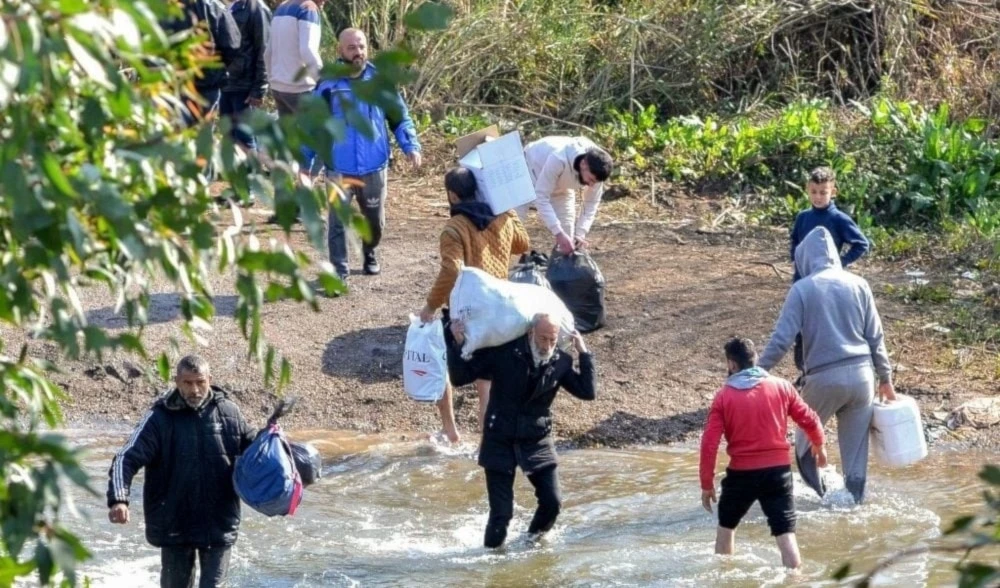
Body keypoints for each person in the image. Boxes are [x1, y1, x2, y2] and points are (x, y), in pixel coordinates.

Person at [758, 226, 896, 504]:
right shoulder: (859, 284)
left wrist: (757, 372)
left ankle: (820, 500)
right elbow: (875, 337)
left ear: (805, 258)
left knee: (804, 445)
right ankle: (853, 505)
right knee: (856, 456)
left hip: (823, 380)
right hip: (862, 379)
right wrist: (886, 378)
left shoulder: (802, 289)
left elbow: (782, 340)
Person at [445, 314, 596, 548]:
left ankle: (530, 544)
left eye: (552, 340)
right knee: (501, 516)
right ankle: (491, 564)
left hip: (537, 439)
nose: (546, 345)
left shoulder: (561, 361)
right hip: (499, 437)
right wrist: (456, 341)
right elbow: (460, 377)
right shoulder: (504, 352)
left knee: (552, 503)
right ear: (530, 333)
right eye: (542, 338)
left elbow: (587, 391)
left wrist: (584, 353)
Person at [107, 356, 256, 588]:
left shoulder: (229, 412)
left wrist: (289, 477)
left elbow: (258, 452)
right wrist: (119, 499)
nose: (194, 389)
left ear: (210, 380)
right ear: (176, 381)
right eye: (187, 383)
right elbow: (126, 458)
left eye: (200, 382)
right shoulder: (159, 418)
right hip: (175, 523)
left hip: (218, 521)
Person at [418, 167, 531, 443]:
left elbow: (451, 271)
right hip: (498, 306)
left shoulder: (454, 228)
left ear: (452, 195)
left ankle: (450, 430)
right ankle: (486, 438)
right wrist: (509, 207)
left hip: (464, 309)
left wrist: (431, 306)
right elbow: (523, 244)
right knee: (487, 378)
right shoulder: (502, 217)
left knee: (441, 362)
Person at [700, 337, 827, 569]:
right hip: (778, 474)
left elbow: (709, 443)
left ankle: (724, 578)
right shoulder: (782, 387)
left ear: (732, 364)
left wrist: (706, 484)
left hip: (741, 475)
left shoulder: (724, 397)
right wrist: (819, 446)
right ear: (755, 359)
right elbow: (809, 419)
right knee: (786, 533)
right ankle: (796, 581)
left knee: (726, 528)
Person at [305, 28, 422, 279]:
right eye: (351, 48)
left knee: (375, 222)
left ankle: (370, 251)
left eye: (361, 47)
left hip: (374, 165)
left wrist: (411, 146)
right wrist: (306, 162)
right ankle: (339, 270)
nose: (358, 52)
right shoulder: (328, 84)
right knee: (337, 223)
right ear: (340, 51)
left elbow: (400, 118)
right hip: (339, 166)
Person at [789, 166, 870, 374]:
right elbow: (795, 242)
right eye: (814, 192)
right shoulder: (803, 217)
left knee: (823, 326)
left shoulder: (839, 219)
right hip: (803, 281)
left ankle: (822, 371)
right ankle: (805, 372)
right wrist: (796, 261)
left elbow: (861, 244)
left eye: (823, 192)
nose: (818, 197)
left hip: (828, 284)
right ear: (808, 189)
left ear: (833, 192)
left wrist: (840, 264)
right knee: (801, 327)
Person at [518, 137, 613, 254]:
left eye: (595, 182)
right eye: (590, 179)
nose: (591, 185)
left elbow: (591, 203)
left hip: (561, 185)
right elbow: (541, 196)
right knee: (514, 225)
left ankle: (560, 270)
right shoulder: (558, 158)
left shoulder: (598, 169)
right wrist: (557, 232)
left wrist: (580, 233)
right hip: (529, 171)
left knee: (568, 238)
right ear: (583, 164)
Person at [161, 0, 242, 127]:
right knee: (202, 137)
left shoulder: (162, 6)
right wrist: (216, 68)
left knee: (171, 135)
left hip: (171, 84)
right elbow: (232, 45)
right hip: (206, 84)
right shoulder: (213, 6)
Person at [220, 0, 271, 156]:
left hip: (245, 86)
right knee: (228, 137)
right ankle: (234, 177)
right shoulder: (221, 6)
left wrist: (259, 89)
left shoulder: (256, 8)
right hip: (225, 83)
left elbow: (264, 50)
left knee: (245, 139)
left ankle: (252, 176)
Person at [264, 0, 324, 119]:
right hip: (301, 90)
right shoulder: (308, 9)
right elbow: (307, 51)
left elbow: (268, 53)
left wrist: (272, 79)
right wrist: (324, 81)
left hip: (279, 89)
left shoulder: (280, 9)